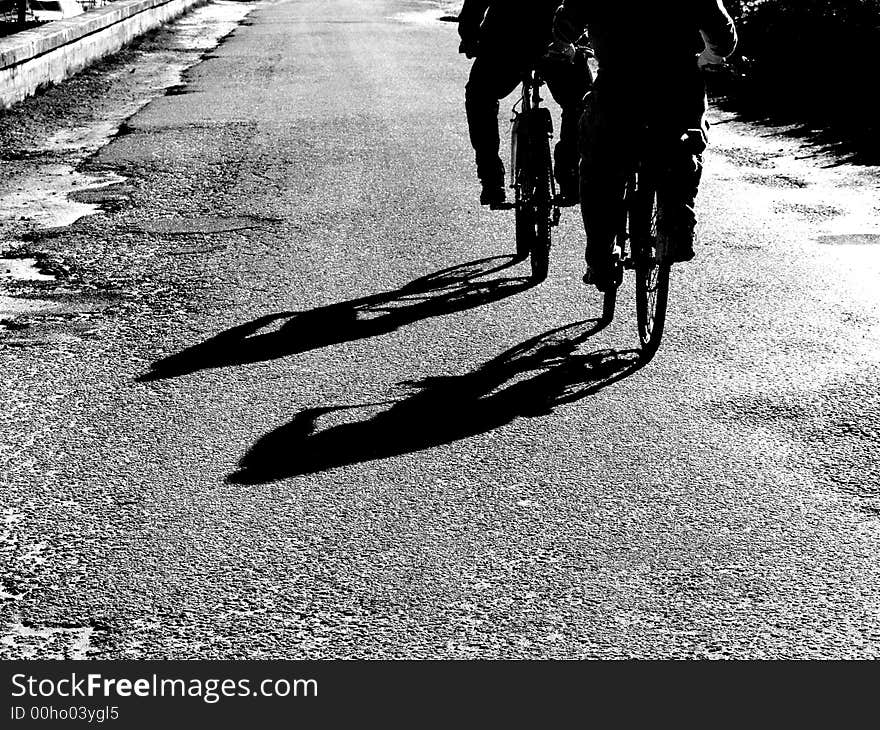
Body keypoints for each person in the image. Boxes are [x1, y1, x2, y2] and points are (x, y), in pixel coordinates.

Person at [552, 1, 738, 289]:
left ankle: (600, 258)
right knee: (687, 140)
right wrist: (709, 56)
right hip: (677, 84)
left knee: (597, 164)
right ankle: (677, 221)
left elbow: (567, 20)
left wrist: (564, 42)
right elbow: (723, 34)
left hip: (618, 85)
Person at [459, 0, 593, 209]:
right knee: (582, 100)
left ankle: (490, 177)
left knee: (479, 96)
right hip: (557, 42)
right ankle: (569, 170)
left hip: (507, 42)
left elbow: (476, 3)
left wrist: (469, 36)